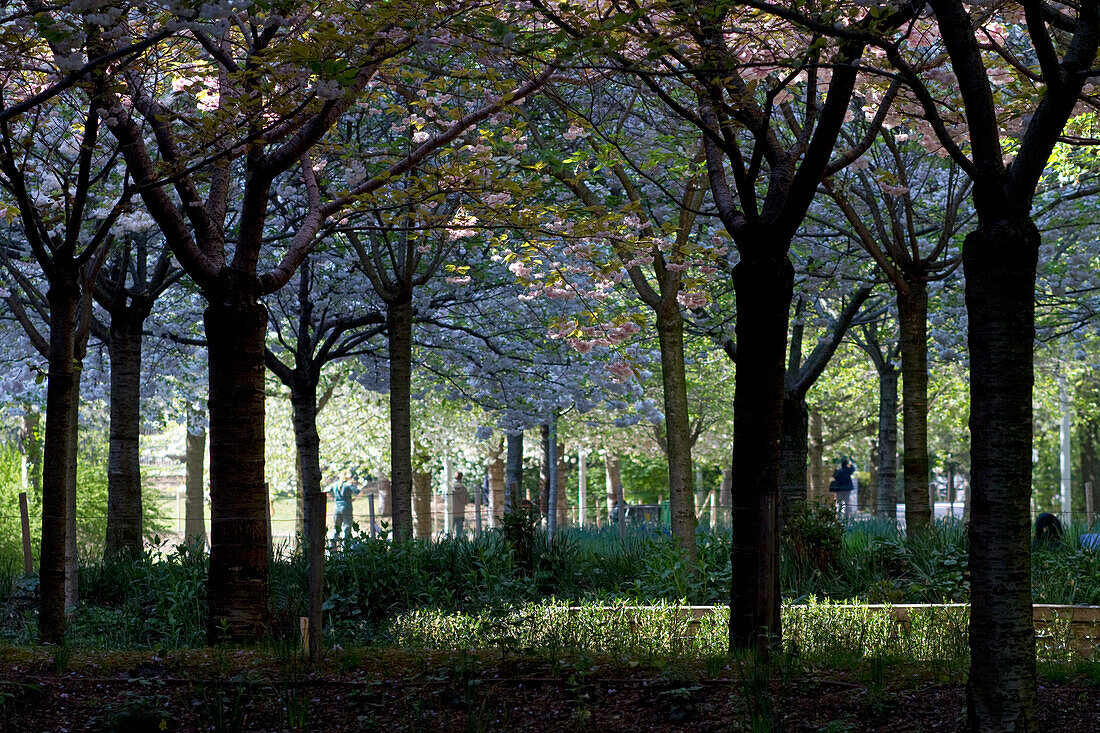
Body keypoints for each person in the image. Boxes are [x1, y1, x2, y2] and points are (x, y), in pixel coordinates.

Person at [326, 469, 360, 541]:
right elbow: (359, 492)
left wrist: (333, 499)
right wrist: (354, 499)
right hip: (346, 506)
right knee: (347, 526)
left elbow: (326, 491)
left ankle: (334, 545)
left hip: (337, 507)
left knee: (337, 527)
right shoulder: (348, 484)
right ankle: (345, 545)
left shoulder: (335, 484)